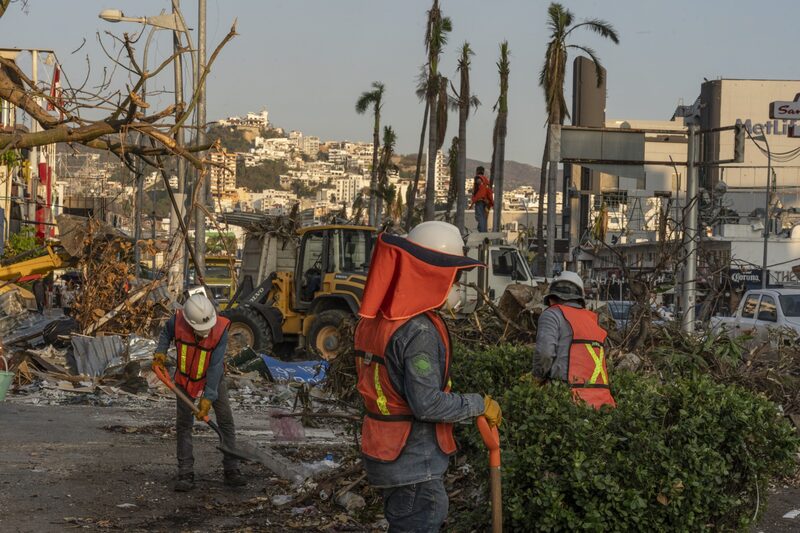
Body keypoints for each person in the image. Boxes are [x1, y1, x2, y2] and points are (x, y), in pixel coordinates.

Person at [355, 221, 503, 532]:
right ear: (432, 275)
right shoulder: (418, 331)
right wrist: (479, 403)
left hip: (388, 452)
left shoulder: (380, 318)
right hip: (413, 463)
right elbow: (427, 404)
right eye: (455, 277)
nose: (456, 286)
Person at [151, 293, 246, 492]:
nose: (205, 332)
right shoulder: (177, 321)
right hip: (185, 379)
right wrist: (160, 351)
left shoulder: (219, 330)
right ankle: (185, 472)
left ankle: (232, 469)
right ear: (189, 321)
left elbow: (215, 366)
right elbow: (166, 334)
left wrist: (208, 398)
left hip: (213, 378)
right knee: (184, 424)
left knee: (226, 421)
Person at [533, 271, 616, 409]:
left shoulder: (552, 314)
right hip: (603, 403)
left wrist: (537, 379)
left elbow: (545, 353)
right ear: (580, 299)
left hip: (568, 400)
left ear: (552, 299)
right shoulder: (592, 320)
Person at [470, 166, 494, 232]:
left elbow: (479, 182)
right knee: (483, 217)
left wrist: (478, 185)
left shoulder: (478, 178)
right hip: (486, 202)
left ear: (477, 171)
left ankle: (482, 232)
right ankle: (483, 231)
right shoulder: (486, 179)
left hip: (480, 200)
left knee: (480, 217)